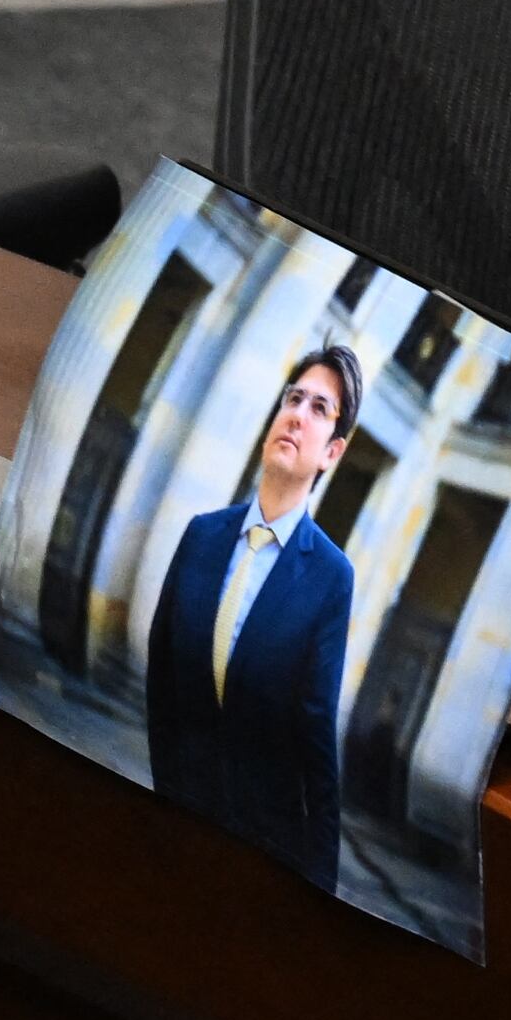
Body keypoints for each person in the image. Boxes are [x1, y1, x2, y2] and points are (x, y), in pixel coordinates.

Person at [145, 345, 361, 889]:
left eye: (319, 408)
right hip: (177, 819)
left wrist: (322, 883)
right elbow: (161, 680)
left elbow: (316, 732)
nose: (297, 414)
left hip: (264, 848)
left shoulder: (331, 576)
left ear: (332, 453)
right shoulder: (201, 535)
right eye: (294, 398)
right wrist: (168, 790)